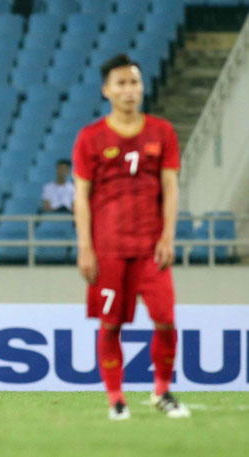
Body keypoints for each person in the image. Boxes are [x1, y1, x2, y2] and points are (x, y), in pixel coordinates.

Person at [72, 54, 190, 420]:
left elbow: (170, 189)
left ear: (142, 87)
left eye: (134, 82)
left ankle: (162, 391)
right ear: (107, 90)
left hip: (151, 247)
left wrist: (168, 236)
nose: (129, 89)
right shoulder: (90, 138)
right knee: (111, 324)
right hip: (108, 250)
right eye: (121, 83)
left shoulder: (162, 132)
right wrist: (86, 247)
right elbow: (82, 196)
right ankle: (115, 399)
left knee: (165, 319)